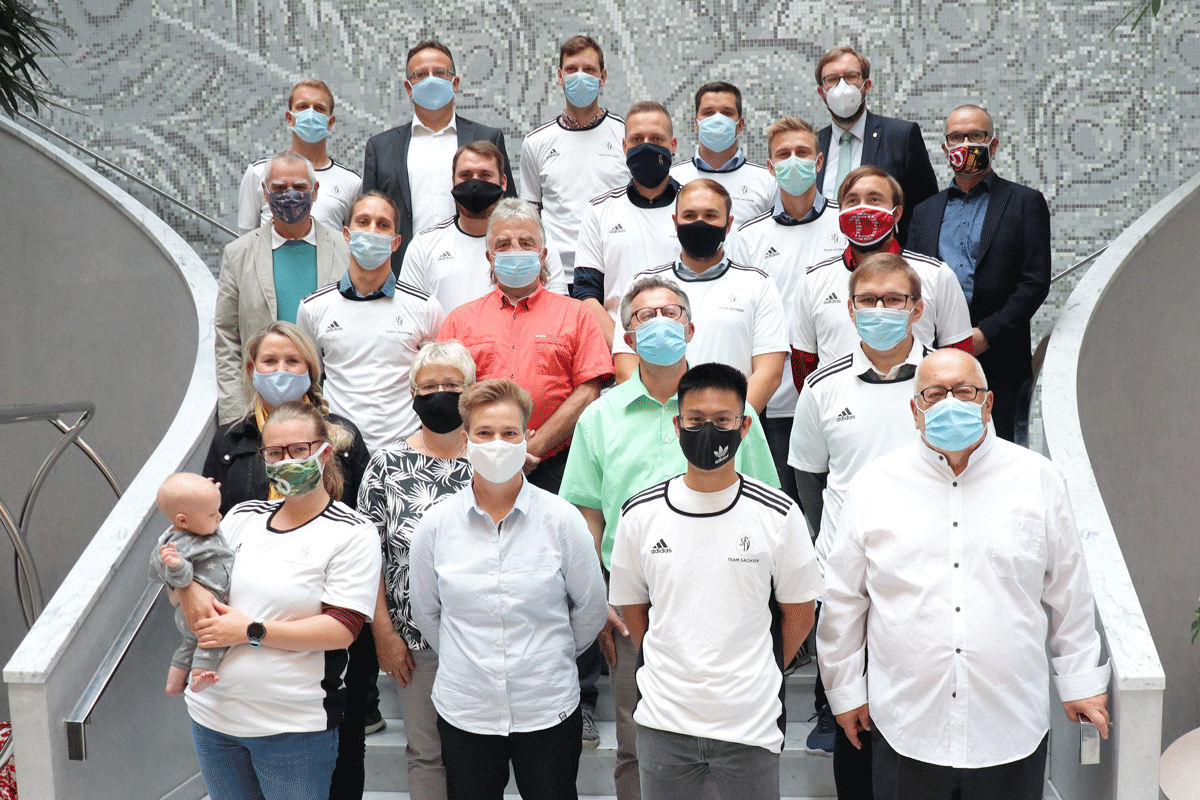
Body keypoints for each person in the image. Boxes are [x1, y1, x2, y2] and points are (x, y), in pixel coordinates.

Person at [818, 349, 1111, 800]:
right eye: (933, 394)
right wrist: (844, 690)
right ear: (915, 411)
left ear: (988, 403)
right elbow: (843, 602)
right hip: (907, 724)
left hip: (1011, 725)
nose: (948, 402)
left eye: (963, 391)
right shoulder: (873, 485)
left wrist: (1082, 683)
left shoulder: (1038, 479)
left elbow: (1069, 592)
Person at [559, 276, 782, 800]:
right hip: (634, 599)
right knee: (638, 742)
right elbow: (586, 516)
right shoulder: (600, 416)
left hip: (730, 589)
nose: (659, 323)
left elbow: (767, 508)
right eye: (643, 316)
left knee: (737, 741)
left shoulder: (735, 414)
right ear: (627, 336)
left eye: (671, 312)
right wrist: (599, 599)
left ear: (691, 326)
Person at [609, 363, 823, 800]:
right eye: (696, 420)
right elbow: (636, 612)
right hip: (664, 722)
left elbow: (800, 613)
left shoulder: (779, 514)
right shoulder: (640, 513)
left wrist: (757, 669)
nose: (709, 431)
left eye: (723, 421)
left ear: (745, 427)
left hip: (749, 722)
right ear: (678, 424)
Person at [409, 378, 608, 800]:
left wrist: (547, 654)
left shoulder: (562, 519)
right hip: (466, 709)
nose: (497, 443)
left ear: (527, 438)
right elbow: (427, 612)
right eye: (484, 433)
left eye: (509, 433)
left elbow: (590, 607)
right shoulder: (435, 526)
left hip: (548, 705)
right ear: (466, 440)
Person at [201, 320, 379, 794]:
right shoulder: (233, 468)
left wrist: (252, 630)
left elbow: (344, 613)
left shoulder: (348, 521)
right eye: (269, 361)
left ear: (323, 453)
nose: (286, 461)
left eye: (292, 360)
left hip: (307, 686)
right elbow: (206, 539)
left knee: (343, 763)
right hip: (222, 705)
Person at [786, 253, 927, 774]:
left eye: (894, 300)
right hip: (849, 579)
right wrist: (838, 545)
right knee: (854, 722)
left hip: (928, 574)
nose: (881, 309)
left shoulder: (946, 380)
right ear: (849, 309)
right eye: (868, 300)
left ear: (916, 308)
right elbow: (809, 478)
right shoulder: (823, 387)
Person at [360, 341, 478, 800]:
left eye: (452, 385)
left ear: (471, 392)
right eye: (429, 386)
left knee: (477, 753)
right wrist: (383, 634)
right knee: (426, 753)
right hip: (414, 641)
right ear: (412, 393)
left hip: (484, 638)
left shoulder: (492, 459)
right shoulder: (386, 466)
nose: (440, 394)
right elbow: (369, 558)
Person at [438, 199, 613, 494]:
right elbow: (445, 393)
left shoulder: (577, 314)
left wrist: (533, 447)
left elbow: (589, 391)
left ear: (543, 255)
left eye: (526, 242)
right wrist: (492, 450)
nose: (515, 250)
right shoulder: (460, 320)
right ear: (489, 257)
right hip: (477, 468)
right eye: (503, 244)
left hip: (558, 465)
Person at [908, 105, 1051, 441]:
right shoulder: (925, 211)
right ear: (944, 149)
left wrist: (986, 335)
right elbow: (914, 279)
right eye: (956, 137)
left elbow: (1034, 283)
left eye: (976, 135)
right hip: (936, 358)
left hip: (999, 358)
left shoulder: (1024, 202)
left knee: (1000, 452)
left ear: (994, 144)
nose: (965, 143)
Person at [737, 116, 846, 503]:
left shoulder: (846, 224)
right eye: (783, 155)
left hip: (841, 398)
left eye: (802, 152)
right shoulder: (748, 239)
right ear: (770, 167)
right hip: (776, 403)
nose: (793, 161)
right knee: (784, 513)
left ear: (818, 162)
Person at [612, 179, 788, 416]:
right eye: (690, 215)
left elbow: (769, 373)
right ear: (675, 223)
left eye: (710, 215)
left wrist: (724, 426)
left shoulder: (758, 285)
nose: (699, 223)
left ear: (728, 224)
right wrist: (664, 423)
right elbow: (625, 366)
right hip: (656, 427)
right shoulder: (643, 286)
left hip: (732, 433)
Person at [789, 165, 973, 391]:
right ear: (840, 213)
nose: (862, 209)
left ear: (897, 213)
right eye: (852, 201)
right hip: (840, 417)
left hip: (916, 412)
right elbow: (803, 367)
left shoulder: (936, 275)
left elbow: (960, 358)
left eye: (874, 199)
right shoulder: (812, 281)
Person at [297, 191, 445, 452]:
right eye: (363, 222)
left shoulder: (425, 308)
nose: (372, 231)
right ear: (346, 234)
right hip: (339, 451)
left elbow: (438, 384)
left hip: (405, 452)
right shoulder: (313, 308)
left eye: (383, 224)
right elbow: (309, 382)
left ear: (396, 241)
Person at [215, 150, 350, 424]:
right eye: (279, 188)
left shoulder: (346, 250)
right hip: (259, 412)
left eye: (300, 187)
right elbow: (227, 338)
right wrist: (235, 413)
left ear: (315, 191)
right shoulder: (238, 254)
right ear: (265, 192)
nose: (290, 195)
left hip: (333, 406)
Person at [363, 39, 516, 270]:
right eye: (421, 74)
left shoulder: (487, 138)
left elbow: (510, 209)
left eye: (440, 72)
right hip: (404, 272)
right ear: (408, 88)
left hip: (478, 268)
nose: (431, 79)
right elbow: (369, 219)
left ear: (455, 83)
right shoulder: (381, 147)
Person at [403, 141, 567, 311]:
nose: (474, 184)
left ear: (503, 182)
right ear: (453, 182)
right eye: (465, 175)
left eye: (485, 175)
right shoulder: (424, 245)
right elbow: (410, 315)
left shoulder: (535, 241)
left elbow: (559, 310)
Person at [520, 35, 629, 288]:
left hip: (613, 273)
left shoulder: (626, 136)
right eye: (572, 69)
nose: (580, 76)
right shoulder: (536, 142)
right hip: (558, 278)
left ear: (602, 78)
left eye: (589, 70)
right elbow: (530, 215)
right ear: (560, 76)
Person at [573, 101, 682, 349]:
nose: (646, 146)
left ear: (673, 145)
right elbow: (585, 294)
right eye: (636, 139)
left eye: (656, 138)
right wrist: (622, 349)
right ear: (624, 146)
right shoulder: (600, 211)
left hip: (687, 351)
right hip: (621, 352)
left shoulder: (696, 212)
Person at [813, 46, 938, 244]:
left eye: (851, 76)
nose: (842, 86)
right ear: (821, 92)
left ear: (866, 85)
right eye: (832, 80)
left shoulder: (901, 136)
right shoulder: (813, 145)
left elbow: (928, 209)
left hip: (885, 263)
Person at [237, 79, 361, 235]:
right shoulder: (259, 172)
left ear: (330, 122)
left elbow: (352, 241)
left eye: (319, 108)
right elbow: (245, 240)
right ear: (289, 118)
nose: (310, 115)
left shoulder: (352, 183)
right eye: (302, 107)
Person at [149, 473, 233, 695]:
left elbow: (205, 514)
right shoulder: (177, 546)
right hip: (203, 612)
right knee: (210, 643)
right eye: (211, 514)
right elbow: (181, 581)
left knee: (188, 645)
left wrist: (208, 499)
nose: (219, 517)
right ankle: (199, 678)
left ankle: (173, 684)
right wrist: (176, 566)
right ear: (183, 521)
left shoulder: (200, 528)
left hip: (191, 615)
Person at [669, 81, 776, 226]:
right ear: (696, 124)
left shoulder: (768, 182)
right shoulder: (672, 179)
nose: (718, 120)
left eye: (727, 113)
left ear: (740, 125)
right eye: (708, 113)